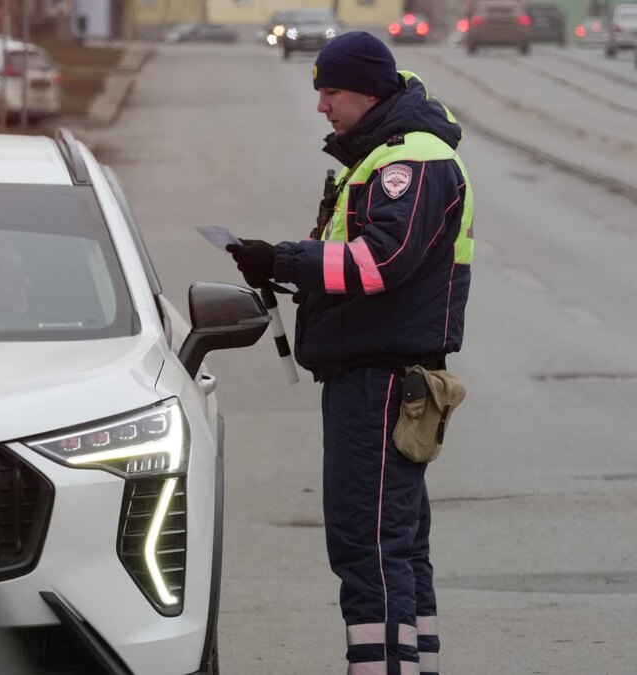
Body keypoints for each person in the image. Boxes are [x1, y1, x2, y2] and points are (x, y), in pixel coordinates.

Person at [227, 31, 474, 675]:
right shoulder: (385, 156)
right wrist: (282, 268)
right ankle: (411, 663)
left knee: (372, 547)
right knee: (396, 546)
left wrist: (286, 258)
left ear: (366, 90)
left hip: (380, 378)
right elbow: (356, 262)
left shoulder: (410, 161)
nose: (321, 107)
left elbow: (381, 261)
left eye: (330, 92)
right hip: (374, 374)